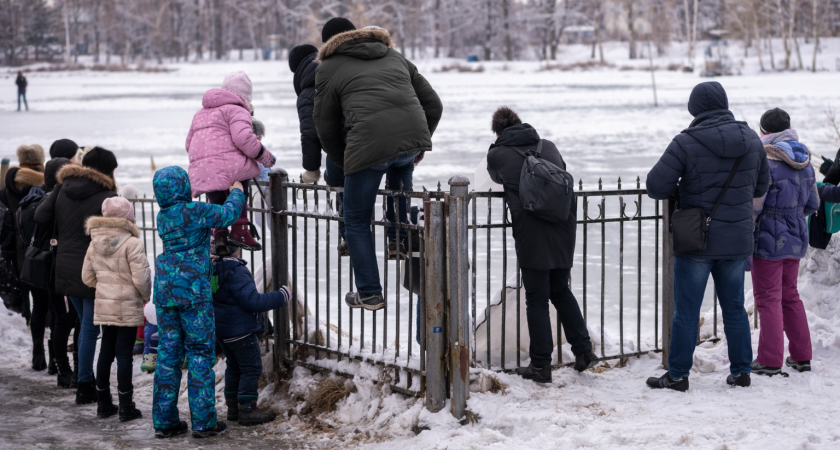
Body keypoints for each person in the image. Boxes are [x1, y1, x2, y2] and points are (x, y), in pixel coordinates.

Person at [646, 82, 770, 391]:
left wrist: (685, 191)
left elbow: (655, 186)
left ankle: (677, 375)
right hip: (737, 239)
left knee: (687, 312)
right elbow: (760, 186)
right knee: (735, 309)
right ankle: (741, 371)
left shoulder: (686, 142)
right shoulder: (753, 141)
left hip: (697, 241)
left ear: (694, 110)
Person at [314, 19, 443, 311]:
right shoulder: (395, 57)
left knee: (357, 220)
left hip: (368, 146)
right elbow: (433, 104)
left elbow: (324, 127)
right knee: (398, 194)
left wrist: (343, 160)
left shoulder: (328, 68)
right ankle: (396, 240)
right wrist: (419, 143)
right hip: (407, 143)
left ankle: (370, 292)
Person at [485, 107, 598, 383]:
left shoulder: (497, 153)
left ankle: (541, 365)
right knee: (560, 290)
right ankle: (583, 351)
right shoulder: (547, 145)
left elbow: (494, 176)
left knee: (536, 298)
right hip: (562, 226)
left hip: (532, 231)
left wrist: (495, 146)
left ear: (498, 132)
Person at [151, 166, 245, 439]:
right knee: (200, 353)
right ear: (183, 186)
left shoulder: (162, 216)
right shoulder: (192, 211)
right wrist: (237, 192)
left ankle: (165, 422)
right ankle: (204, 422)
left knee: (168, 356)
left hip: (166, 290)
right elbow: (227, 214)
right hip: (193, 291)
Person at [35, 147, 120, 403]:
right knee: (89, 329)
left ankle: (85, 381)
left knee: (85, 325)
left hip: (63, 268)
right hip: (91, 270)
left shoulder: (62, 187)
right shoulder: (107, 196)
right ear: (106, 170)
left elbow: (40, 216)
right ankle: (85, 385)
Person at [749, 108, 818, 376]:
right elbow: (812, 203)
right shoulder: (805, 160)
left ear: (765, 132)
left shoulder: (766, 161)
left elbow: (756, 205)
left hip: (768, 239)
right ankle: (801, 356)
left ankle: (769, 360)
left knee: (768, 298)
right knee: (790, 296)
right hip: (796, 239)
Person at [186, 71, 276, 254]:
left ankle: (219, 233)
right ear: (245, 96)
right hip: (230, 167)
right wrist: (264, 156)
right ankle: (240, 230)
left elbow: (188, 143)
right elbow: (243, 138)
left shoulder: (201, 113)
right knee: (240, 185)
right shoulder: (237, 110)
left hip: (203, 169)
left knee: (216, 198)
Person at [82, 197, 150, 421]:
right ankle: (126, 406)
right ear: (128, 217)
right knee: (124, 355)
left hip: (105, 306)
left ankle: (103, 403)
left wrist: (104, 288)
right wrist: (144, 296)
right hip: (127, 306)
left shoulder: (94, 242)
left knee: (105, 352)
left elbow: (87, 277)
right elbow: (141, 280)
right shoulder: (132, 243)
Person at [212, 255, 290, 426]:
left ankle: (233, 408)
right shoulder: (237, 271)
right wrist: (281, 295)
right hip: (242, 332)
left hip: (223, 331)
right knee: (251, 368)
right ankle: (247, 410)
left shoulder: (213, 269)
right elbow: (254, 301)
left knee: (233, 367)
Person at [289, 43, 349, 256]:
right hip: (366, 138)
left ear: (296, 71)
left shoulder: (307, 92)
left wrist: (311, 170)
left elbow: (310, 134)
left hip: (342, 149)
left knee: (338, 180)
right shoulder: (337, 71)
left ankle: (348, 235)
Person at [0, 145, 46, 370]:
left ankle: (36, 349)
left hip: (15, 256)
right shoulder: (46, 185)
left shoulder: (6, 188)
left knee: (26, 299)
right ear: (40, 160)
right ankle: (49, 356)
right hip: (41, 253)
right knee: (43, 303)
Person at [41, 157, 77, 387]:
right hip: (61, 265)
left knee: (59, 319)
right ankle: (66, 370)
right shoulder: (58, 198)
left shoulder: (47, 198)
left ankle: (60, 366)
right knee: (66, 320)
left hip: (50, 265)